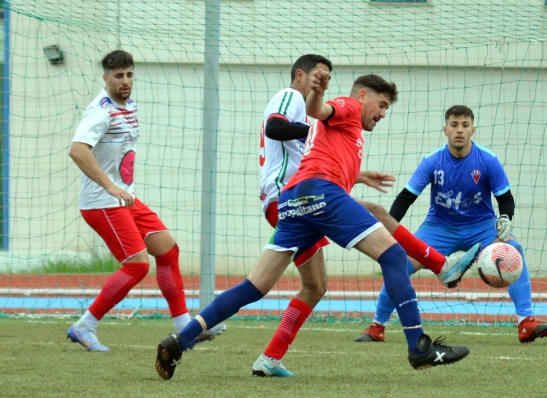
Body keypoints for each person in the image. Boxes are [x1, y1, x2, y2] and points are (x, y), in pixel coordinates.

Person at [155, 70, 472, 381]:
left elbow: (324, 152)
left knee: (258, 286)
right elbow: (318, 110)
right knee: (392, 257)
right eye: (383, 104)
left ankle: (181, 340)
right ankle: (419, 345)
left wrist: (358, 175)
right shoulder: (350, 106)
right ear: (363, 96)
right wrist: (317, 93)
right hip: (319, 194)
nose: (384, 113)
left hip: (294, 200)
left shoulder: (348, 135)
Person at [253, 55, 480, 377]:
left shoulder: (325, 116)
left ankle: (255, 353)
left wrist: (355, 174)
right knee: (383, 256)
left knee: (314, 285)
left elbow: (315, 155)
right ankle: (431, 295)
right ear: (301, 75)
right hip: (295, 199)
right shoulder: (292, 96)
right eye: (320, 75)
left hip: (300, 196)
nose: (324, 81)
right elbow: (278, 128)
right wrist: (319, 125)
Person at [354, 105, 547, 344]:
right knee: (398, 262)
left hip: (481, 226)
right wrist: (389, 231)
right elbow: (406, 198)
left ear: (473, 130)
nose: (459, 130)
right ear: (445, 130)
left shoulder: (488, 160)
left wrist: (506, 219)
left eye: (465, 125)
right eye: (454, 125)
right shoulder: (431, 161)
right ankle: (377, 326)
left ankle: (525, 322)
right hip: (438, 227)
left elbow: (505, 198)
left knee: (515, 251)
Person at [67, 50, 225, 352]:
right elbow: (77, 150)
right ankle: (84, 326)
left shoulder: (130, 105)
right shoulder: (100, 111)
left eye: (129, 75)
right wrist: (112, 187)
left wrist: (121, 190)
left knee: (167, 249)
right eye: (118, 76)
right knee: (137, 266)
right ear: (105, 78)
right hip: (102, 202)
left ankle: (185, 328)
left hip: (126, 200)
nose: (125, 81)